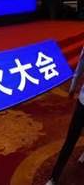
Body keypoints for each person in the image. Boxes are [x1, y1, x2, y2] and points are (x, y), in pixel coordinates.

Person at [47, 45, 84, 184]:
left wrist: (73, 87)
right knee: (70, 139)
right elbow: (80, 67)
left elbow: (80, 67)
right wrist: (73, 86)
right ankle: (54, 177)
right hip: (83, 102)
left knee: (71, 139)